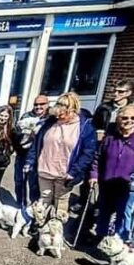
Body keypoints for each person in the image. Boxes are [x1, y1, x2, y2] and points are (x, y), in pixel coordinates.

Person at [25, 92, 97, 223]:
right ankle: (41, 227)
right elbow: (37, 143)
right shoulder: (51, 122)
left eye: (62, 115)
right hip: (45, 169)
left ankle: (55, 230)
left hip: (65, 174)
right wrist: (30, 161)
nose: (59, 117)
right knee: (44, 200)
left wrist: (74, 171)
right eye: (57, 114)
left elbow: (88, 153)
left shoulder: (85, 127)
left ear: (72, 110)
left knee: (60, 204)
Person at [89, 105, 134, 241]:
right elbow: (98, 157)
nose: (129, 121)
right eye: (124, 117)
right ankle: (101, 239)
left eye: (133, 118)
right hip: (107, 182)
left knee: (123, 214)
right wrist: (94, 175)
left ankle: (121, 242)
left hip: (127, 185)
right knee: (104, 211)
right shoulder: (110, 137)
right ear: (118, 119)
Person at [13, 95, 50, 208]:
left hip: (39, 157)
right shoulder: (26, 116)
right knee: (19, 181)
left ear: (47, 105)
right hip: (22, 154)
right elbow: (16, 133)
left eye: (41, 104)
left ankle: (33, 208)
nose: (38, 107)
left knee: (34, 184)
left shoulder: (50, 119)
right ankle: (20, 205)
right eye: (36, 104)